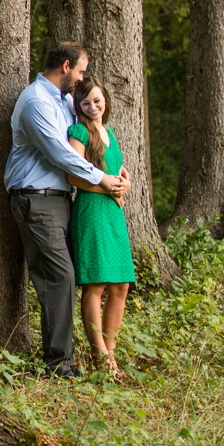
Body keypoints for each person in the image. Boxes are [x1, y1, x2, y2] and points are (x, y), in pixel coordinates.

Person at [6, 42, 131, 376]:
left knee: (76, 276)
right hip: (36, 198)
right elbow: (61, 155)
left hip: (63, 200)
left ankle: (91, 356)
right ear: (65, 66)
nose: (81, 78)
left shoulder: (64, 102)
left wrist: (119, 179)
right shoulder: (35, 101)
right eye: (79, 70)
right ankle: (60, 364)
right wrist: (103, 180)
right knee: (60, 277)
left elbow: (92, 143)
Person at [66, 76, 135, 377]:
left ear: (105, 100)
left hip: (114, 213)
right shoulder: (78, 131)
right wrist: (109, 189)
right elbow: (74, 176)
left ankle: (112, 353)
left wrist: (125, 185)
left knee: (121, 285)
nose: (93, 106)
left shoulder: (111, 133)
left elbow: (119, 171)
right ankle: (99, 357)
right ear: (78, 107)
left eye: (97, 100)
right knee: (96, 284)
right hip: (92, 210)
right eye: (86, 102)